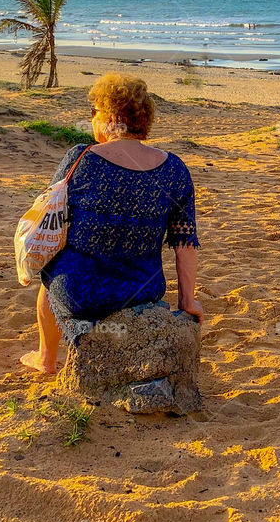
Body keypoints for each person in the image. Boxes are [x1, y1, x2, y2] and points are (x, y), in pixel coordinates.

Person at [21, 73, 202, 374]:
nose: (91, 118)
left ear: (111, 117)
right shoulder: (175, 169)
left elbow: (49, 215)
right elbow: (185, 243)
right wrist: (188, 301)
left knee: (51, 269)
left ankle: (46, 359)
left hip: (80, 293)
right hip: (142, 291)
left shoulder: (81, 158)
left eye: (94, 112)